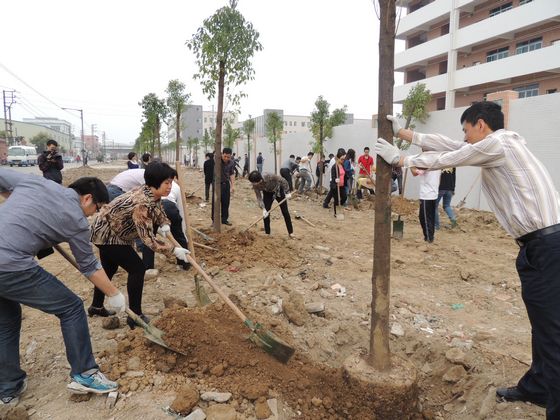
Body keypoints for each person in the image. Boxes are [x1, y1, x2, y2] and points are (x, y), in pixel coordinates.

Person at [375, 102, 560, 418]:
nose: (464, 136)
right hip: (539, 247)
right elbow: (451, 145)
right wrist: (403, 133)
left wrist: (402, 159)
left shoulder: (499, 144)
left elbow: (452, 156)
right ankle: (538, 387)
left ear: (481, 125)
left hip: (547, 246)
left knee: (553, 331)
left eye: (466, 129)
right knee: (542, 325)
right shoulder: (499, 145)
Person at [0, 170, 126, 400]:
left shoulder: (33, 182)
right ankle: (85, 373)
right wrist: (114, 293)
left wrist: (12, 196)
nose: (91, 216)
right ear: (87, 198)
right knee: (71, 307)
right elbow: (89, 266)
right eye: (95, 209)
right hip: (10, 265)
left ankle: (8, 387)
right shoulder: (76, 220)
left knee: (6, 320)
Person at [89, 162, 190, 328]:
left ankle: (96, 306)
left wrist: (164, 223)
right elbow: (148, 241)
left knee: (109, 269)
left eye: (171, 182)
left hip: (111, 230)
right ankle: (135, 316)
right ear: (154, 182)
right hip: (107, 235)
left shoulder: (151, 192)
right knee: (137, 269)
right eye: (167, 183)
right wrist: (174, 250)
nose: (170, 186)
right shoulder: (141, 204)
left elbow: (157, 208)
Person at [248, 171, 294, 238]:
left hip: (278, 190)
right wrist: (263, 209)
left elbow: (283, 180)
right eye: (253, 183)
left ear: (260, 180)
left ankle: (291, 232)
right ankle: (267, 233)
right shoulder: (255, 185)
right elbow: (259, 197)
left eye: (255, 183)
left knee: (285, 211)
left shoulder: (269, 176)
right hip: (267, 193)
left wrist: (287, 192)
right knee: (266, 213)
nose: (254, 184)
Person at [415, 168, 441, 243]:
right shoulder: (437, 165)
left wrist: (411, 165)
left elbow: (416, 173)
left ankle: (428, 238)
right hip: (433, 193)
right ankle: (430, 237)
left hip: (426, 195)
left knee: (424, 217)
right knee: (430, 217)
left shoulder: (427, 163)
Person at [211, 148, 235, 226]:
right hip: (217, 184)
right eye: (225, 156)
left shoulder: (231, 163)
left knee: (226, 202)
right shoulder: (217, 160)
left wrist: (232, 185)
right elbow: (214, 154)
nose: (226, 158)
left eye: (228, 157)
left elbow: (231, 174)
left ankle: (224, 219)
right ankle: (214, 220)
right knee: (215, 202)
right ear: (222, 154)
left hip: (226, 184)